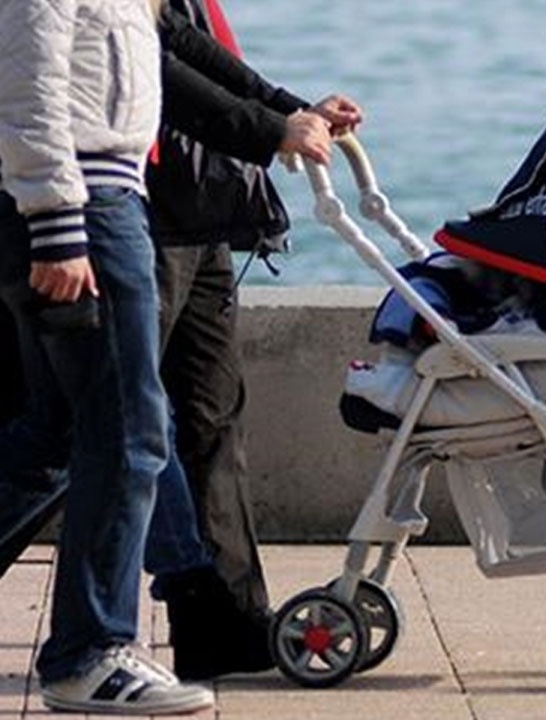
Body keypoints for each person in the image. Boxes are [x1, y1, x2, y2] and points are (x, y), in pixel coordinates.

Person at [0, 0, 215, 713]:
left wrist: (281, 121)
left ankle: (91, 649)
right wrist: (58, 225)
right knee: (129, 428)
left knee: (60, 432)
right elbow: (27, 80)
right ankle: (88, 654)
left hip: (99, 196)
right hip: (80, 205)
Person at [142, 0, 362, 680]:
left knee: (213, 423)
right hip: (138, 218)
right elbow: (158, 73)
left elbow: (202, 55)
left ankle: (229, 632)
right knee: (92, 435)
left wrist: (298, 115)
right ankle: (112, 632)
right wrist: (273, 129)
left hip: (204, 214)